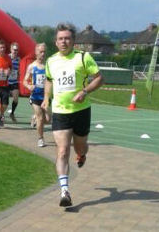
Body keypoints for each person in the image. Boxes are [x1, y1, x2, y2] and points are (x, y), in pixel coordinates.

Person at [41, 23, 103, 207]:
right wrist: (46, 98)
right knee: (62, 150)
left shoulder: (84, 58)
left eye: (67, 38)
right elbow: (49, 81)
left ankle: (82, 155)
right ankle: (64, 191)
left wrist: (84, 91)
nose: (64, 41)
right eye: (60, 38)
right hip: (60, 111)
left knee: (80, 147)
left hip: (81, 111)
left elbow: (99, 78)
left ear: (73, 41)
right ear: (56, 42)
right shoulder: (51, 61)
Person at [23, 43, 51, 147]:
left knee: (48, 120)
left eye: (44, 52)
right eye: (41, 52)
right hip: (35, 96)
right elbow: (24, 81)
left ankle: (34, 117)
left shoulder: (48, 66)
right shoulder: (31, 66)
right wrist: (29, 86)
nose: (43, 54)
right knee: (40, 118)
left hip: (46, 96)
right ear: (36, 52)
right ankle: (40, 138)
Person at [8, 42, 20, 122]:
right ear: (11, 49)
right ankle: (0, 115)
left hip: (14, 81)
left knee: (16, 99)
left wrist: (18, 73)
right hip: (6, 81)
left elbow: (18, 69)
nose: (15, 51)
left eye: (16, 50)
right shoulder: (7, 57)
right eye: (14, 50)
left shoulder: (19, 59)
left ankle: (12, 113)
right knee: (4, 100)